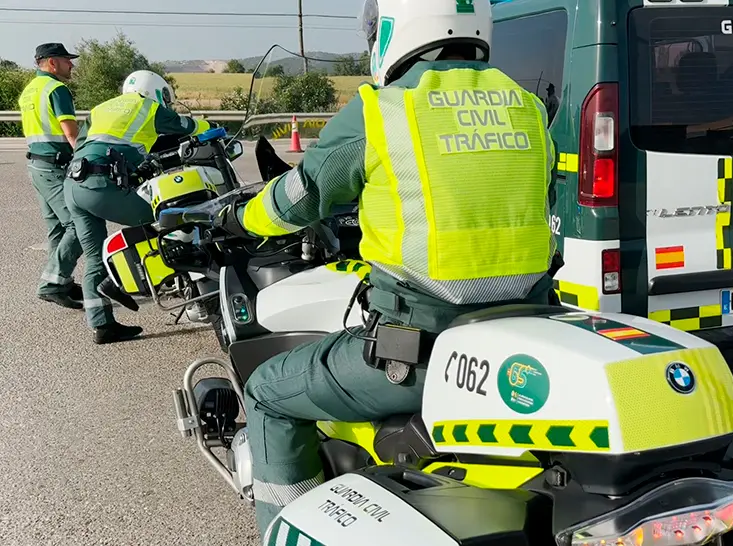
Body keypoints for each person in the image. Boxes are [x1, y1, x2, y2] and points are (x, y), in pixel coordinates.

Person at [213, 0, 558, 537]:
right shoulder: (527, 106)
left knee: (268, 393)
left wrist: (239, 217)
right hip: (523, 336)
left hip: (421, 353)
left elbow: (300, 198)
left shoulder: (381, 109)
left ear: (394, 26)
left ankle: (280, 528)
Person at [63, 70, 212, 344]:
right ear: (155, 90)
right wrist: (212, 128)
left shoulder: (101, 108)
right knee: (172, 221)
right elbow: (186, 127)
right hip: (100, 184)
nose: (165, 101)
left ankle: (102, 325)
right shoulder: (147, 106)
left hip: (73, 185)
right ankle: (191, 297)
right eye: (164, 95)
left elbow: (88, 144)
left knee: (94, 257)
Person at [18, 43, 84, 310]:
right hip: (55, 167)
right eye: (67, 60)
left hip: (37, 165)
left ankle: (61, 281)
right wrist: (86, 159)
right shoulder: (57, 89)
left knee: (57, 227)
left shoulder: (29, 90)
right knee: (79, 225)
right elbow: (70, 133)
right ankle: (52, 284)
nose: (72, 65)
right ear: (52, 63)